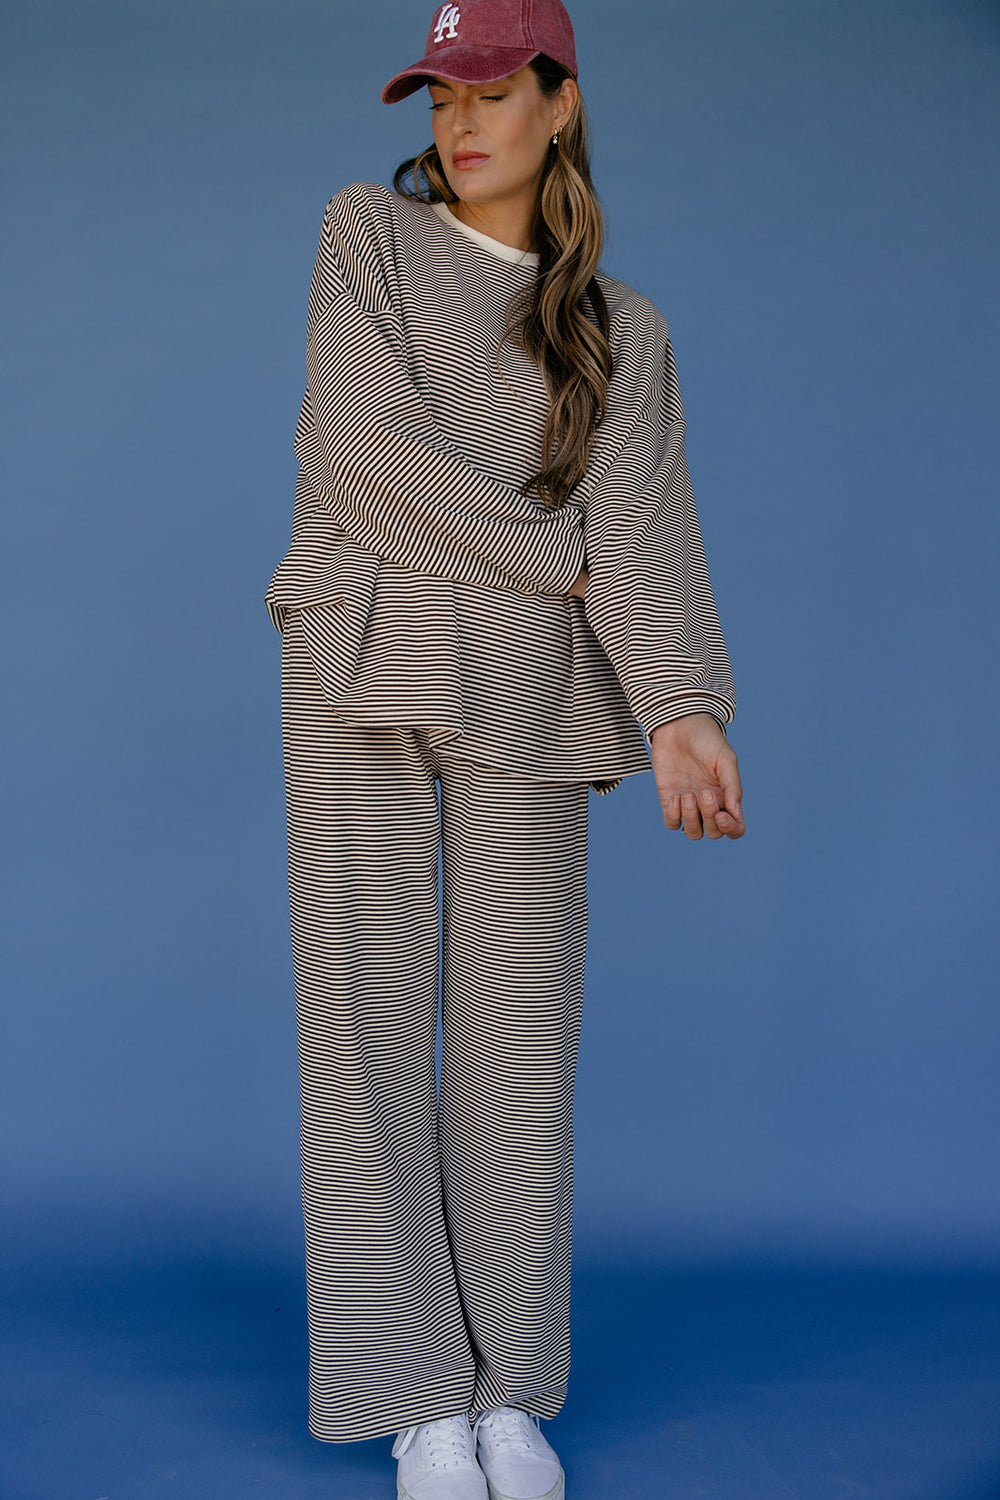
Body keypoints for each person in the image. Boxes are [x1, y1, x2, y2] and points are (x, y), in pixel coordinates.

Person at [264, 0, 746, 1495]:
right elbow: (361, 457)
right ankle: (418, 1393)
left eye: (490, 89)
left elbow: (644, 534)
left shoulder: (623, 329)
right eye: (437, 95)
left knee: (518, 1042)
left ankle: (508, 1392)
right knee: (361, 1024)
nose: (458, 122)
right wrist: (567, 558)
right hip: (356, 662)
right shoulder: (369, 236)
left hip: (535, 693)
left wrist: (680, 706)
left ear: (560, 105)